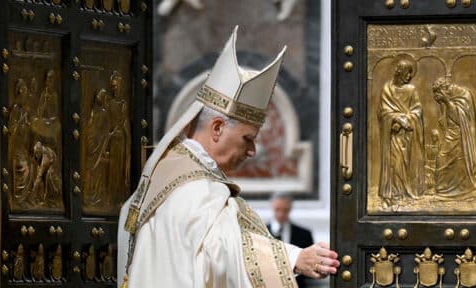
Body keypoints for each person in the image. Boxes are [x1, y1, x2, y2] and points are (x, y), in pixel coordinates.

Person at [117, 26, 340, 288]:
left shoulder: (171, 171)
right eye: (248, 138)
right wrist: (294, 259)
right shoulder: (192, 188)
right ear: (217, 128)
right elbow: (221, 251)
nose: (252, 151)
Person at [378, 58, 424, 208]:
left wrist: (405, 121)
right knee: (394, 162)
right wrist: (395, 119)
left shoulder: (411, 90)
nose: (409, 76)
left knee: (404, 162)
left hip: (406, 135)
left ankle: (403, 193)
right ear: (400, 72)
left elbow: (417, 110)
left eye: (411, 73)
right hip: (391, 134)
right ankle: (393, 194)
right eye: (407, 72)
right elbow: (383, 112)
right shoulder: (387, 89)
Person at [431, 77, 476, 198]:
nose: (437, 96)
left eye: (438, 92)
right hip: (450, 134)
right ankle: (444, 190)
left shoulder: (463, 95)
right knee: (441, 158)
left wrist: (446, 101)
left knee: (452, 160)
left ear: (444, 89)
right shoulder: (448, 95)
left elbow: (460, 119)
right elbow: (444, 121)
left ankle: (463, 189)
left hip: (461, 136)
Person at [267, 193, 314, 288]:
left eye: (285, 210)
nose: (281, 214)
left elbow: (310, 264)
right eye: (278, 209)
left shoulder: (304, 234)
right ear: (272, 207)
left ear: (290, 209)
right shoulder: (260, 233)